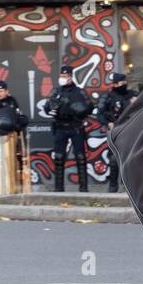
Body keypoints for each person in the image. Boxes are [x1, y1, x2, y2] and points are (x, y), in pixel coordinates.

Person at [46, 64, 93, 192]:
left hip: (76, 127)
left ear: (71, 77)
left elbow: (90, 107)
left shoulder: (80, 91)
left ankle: (83, 188)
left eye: (65, 76)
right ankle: (58, 188)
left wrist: (78, 109)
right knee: (59, 158)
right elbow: (47, 107)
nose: (62, 78)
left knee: (80, 157)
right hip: (60, 127)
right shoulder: (56, 92)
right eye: (61, 76)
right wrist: (51, 108)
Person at [96, 71, 135, 192]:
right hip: (115, 131)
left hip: (131, 130)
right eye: (120, 82)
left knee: (130, 159)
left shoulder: (132, 95)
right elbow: (100, 113)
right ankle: (113, 187)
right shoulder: (108, 96)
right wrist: (108, 123)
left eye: (124, 82)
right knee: (114, 160)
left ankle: (129, 188)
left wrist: (135, 102)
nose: (123, 84)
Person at [0, 80, 25, 190]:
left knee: (20, 137)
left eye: (1, 91)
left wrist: (17, 126)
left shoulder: (12, 101)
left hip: (11, 132)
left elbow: (18, 116)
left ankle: (18, 180)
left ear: (6, 91)